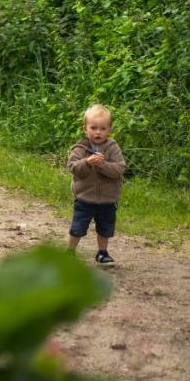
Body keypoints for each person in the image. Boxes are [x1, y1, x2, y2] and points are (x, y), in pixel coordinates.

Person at [67, 104, 126, 266]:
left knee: (105, 228)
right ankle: (70, 251)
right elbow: (73, 168)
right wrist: (87, 162)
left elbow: (119, 169)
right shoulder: (80, 148)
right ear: (85, 128)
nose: (98, 132)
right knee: (78, 227)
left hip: (107, 199)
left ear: (109, 129)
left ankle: (102, 253)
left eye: (103, 128)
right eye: (93, 128)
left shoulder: (113, 148)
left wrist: (102, 165)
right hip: (84, 197)